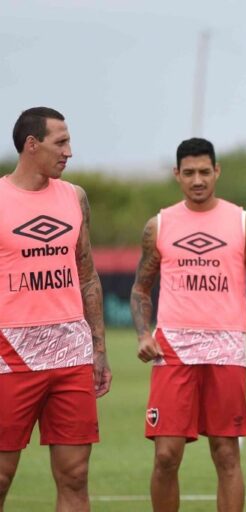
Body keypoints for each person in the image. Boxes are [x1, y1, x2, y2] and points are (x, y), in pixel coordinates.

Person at [130, 137, 246, 512]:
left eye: (205, 171)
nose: (198, 180)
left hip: (226, 350)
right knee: (166, 456)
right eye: (189, 173)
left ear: (217, 171)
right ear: (177, 174)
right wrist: (142, 333)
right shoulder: (159, 225)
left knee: (226, 453)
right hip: (173, 349)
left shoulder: (243, 223)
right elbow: (140, 288)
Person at [0, 107, 111, 511]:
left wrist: (98, 348)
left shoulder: (74, 196)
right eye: (60, 142)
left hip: (71, 354)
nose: (69, 152)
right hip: (10, 353)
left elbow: (87, 275)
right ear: (32, 145)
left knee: (75, 476)